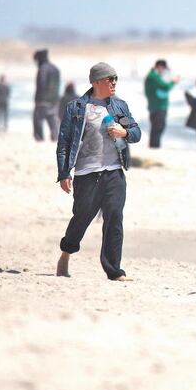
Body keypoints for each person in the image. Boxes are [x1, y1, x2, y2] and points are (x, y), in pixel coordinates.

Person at [55, 62, 141, 281]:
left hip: (114, 171)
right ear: (96, 82)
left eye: (115, 79)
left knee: (114, 216)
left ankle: (114, 271)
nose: (113, 83)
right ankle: (66, 253)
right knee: (82, 217)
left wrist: (124, 132)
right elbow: (64, 142)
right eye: (109, 79)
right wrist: (64, 173)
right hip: (87, 173)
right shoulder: (76, 108)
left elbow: (136, 132)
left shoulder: (119, 106)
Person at [144, 59, 179, 148]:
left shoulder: (152, 76)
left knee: (156, 127)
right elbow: (165, 87)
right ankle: (154, 147)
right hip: (158, 106)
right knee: (158, 127)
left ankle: (154, 146)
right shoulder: (153, 77)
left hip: (156, 106)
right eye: (163, 69)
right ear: (160, 67)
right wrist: (173, 82)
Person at [33, 48, 61, 141]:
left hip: (43, 100)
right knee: (53, 120)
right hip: (55, 100)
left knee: (38, 120)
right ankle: (55, 139)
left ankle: (40, 139)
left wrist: (38, 99)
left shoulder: (42, 69)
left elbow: (41, 84)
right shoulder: (55, 68)